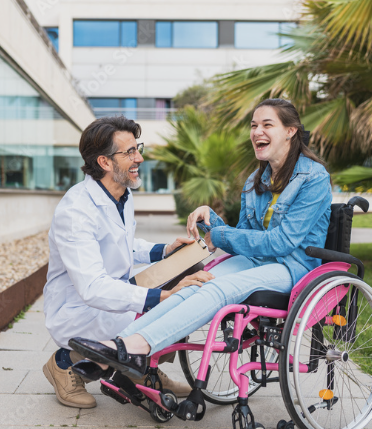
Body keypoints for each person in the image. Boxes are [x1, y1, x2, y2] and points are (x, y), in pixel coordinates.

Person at [69, 99, 332, 378]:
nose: (256, 132)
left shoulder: (313, 177)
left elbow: (282, 243)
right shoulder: (257, 180)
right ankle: (115, 347)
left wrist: (219, 234)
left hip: (293, 268)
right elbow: (245, 234)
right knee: (196, 283)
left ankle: (136, 347)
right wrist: (213, 221)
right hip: (256, 260)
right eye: (254, 125)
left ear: (291, 131)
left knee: (217, 290)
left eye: (267, 125)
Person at [43, 115, 210, 409]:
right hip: (81, 309)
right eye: (130, 152)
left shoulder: (122, 193)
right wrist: (160, 296)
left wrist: (165, 250)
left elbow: (121, 244)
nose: (140, 158)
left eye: (138, 148)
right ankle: (62, 363)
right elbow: (93, 288)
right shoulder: (76, 212)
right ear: (105, 162)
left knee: (189, 269)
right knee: (165, 304)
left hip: (114, 292)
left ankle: (146, 369)